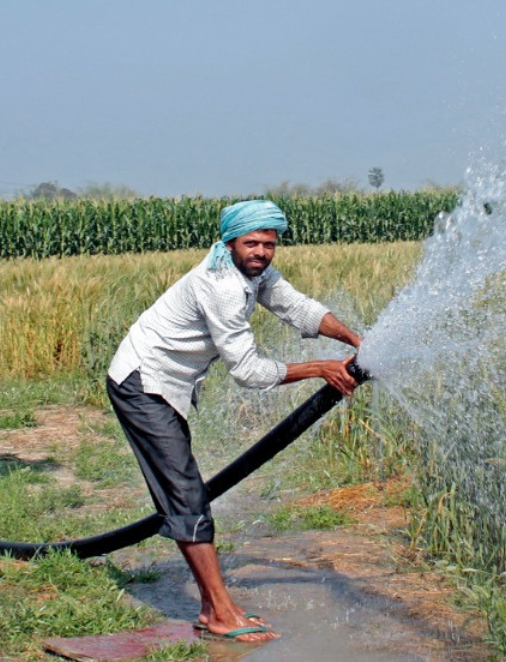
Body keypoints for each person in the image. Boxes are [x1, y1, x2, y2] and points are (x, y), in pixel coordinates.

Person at [106, 198, 362, 645]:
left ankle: (213, 609)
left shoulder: (254, 272)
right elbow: (246, 371)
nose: (261, 251)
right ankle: (220, 613)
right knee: (186, 494)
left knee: (184, 491)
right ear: (230, 243)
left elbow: (297, 307)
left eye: (269, 243)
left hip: (166, 385)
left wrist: (356, 340)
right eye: (252, 243)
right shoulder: (221, 285)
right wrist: (320, 367)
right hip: (142, 383)